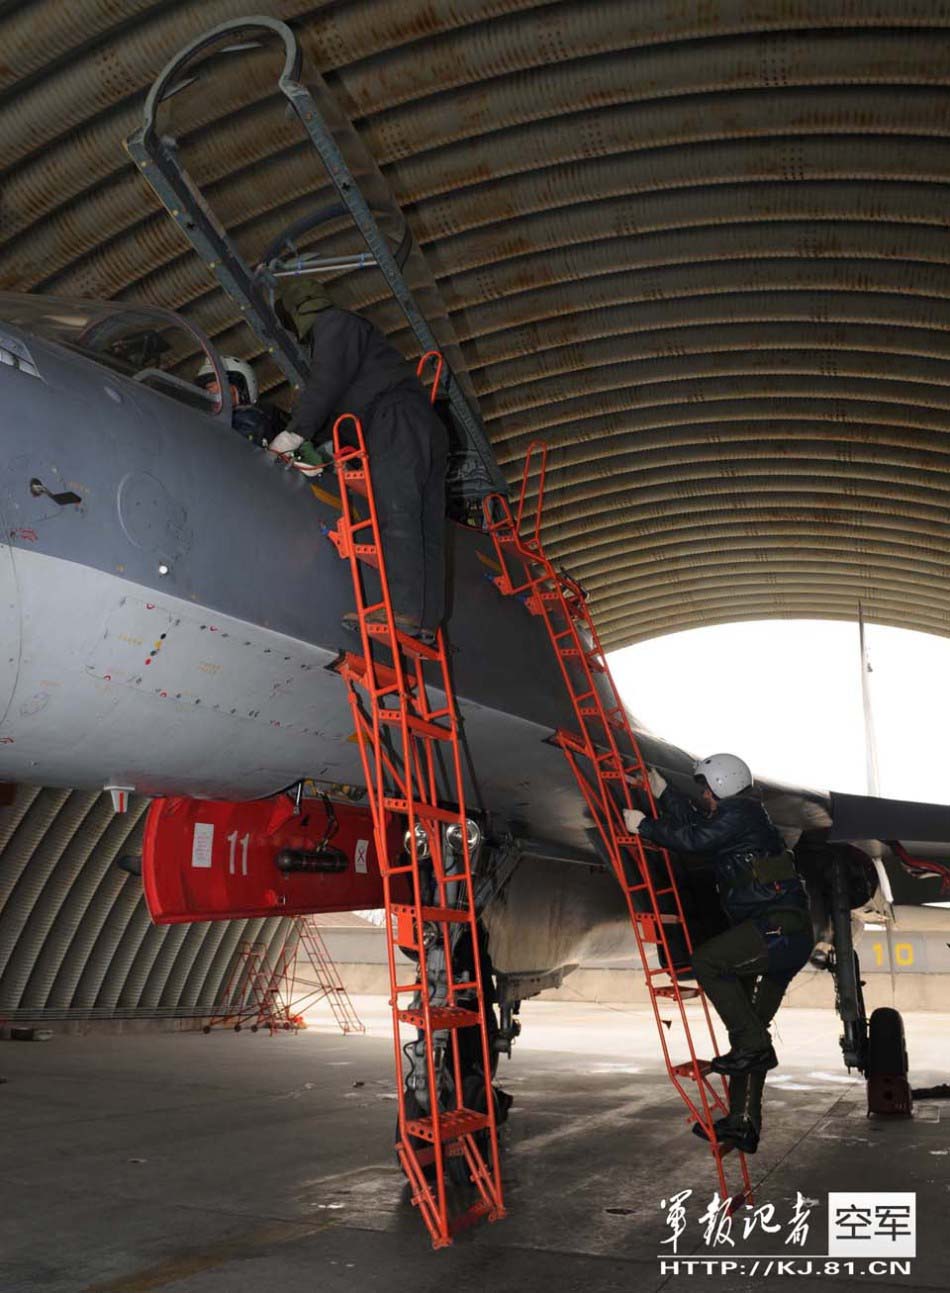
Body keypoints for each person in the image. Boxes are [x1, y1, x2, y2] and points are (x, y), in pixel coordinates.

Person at [624, 753, 813, 1153]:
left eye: (707, 789)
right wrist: (662, 791)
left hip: (776, 929)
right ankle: (743, 1123)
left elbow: (694, 839)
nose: (705, 795)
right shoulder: (740, 815)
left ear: (722, 787)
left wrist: (644, 827)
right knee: (748, 1035)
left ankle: (753, 1050)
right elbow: (698, 824)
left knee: (708, 962)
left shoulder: (741, 815)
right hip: (779, 933)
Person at [268, 278, 449, 642]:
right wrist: (327, 450)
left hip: (394, 420)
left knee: (396, 513)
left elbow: (325, 385)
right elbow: (342, 406)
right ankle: (423, 617)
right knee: (424, 525)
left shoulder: (334, 326)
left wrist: (293, 434)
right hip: (422, 427)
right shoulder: (353, 336)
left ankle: (400, 609)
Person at [196, 354, 288, 448]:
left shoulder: (250, 420)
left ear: (241, 389)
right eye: (209, 390)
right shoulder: (211, 424)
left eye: (218, 389)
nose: (213, 396)